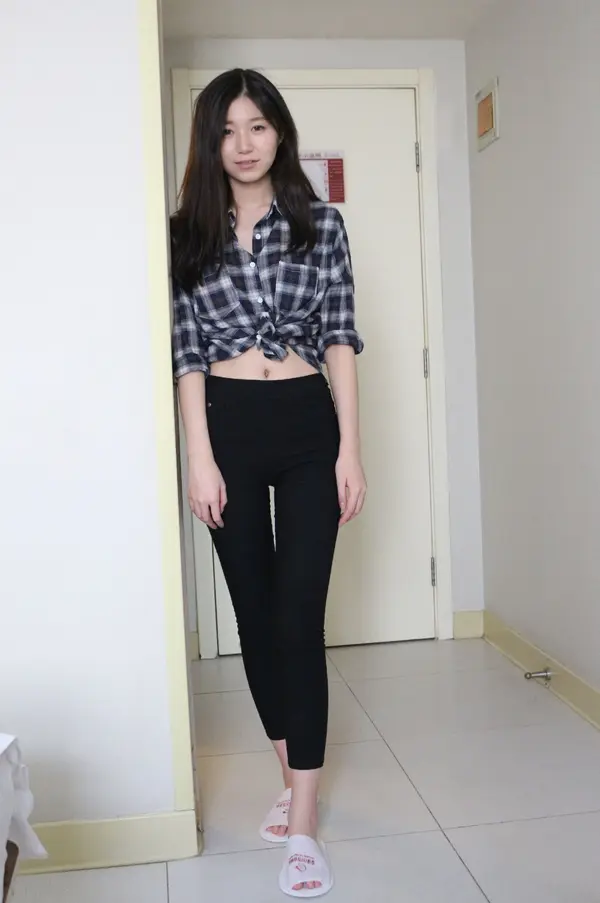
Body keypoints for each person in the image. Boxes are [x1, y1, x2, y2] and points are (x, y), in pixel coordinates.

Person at [170, 68, 366, 898]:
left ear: (279, 132)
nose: (243, 144)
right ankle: (291, 776)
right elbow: (185, 352)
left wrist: (350, 448)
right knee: (254, 612)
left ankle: (305, 820)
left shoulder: (321, 224)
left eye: (257, 126)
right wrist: (199, 456)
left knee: (298, 616)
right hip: (228, 427)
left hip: (307, 423)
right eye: (227, 130)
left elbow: (341, 336)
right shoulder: (185, 233)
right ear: (209, 142)